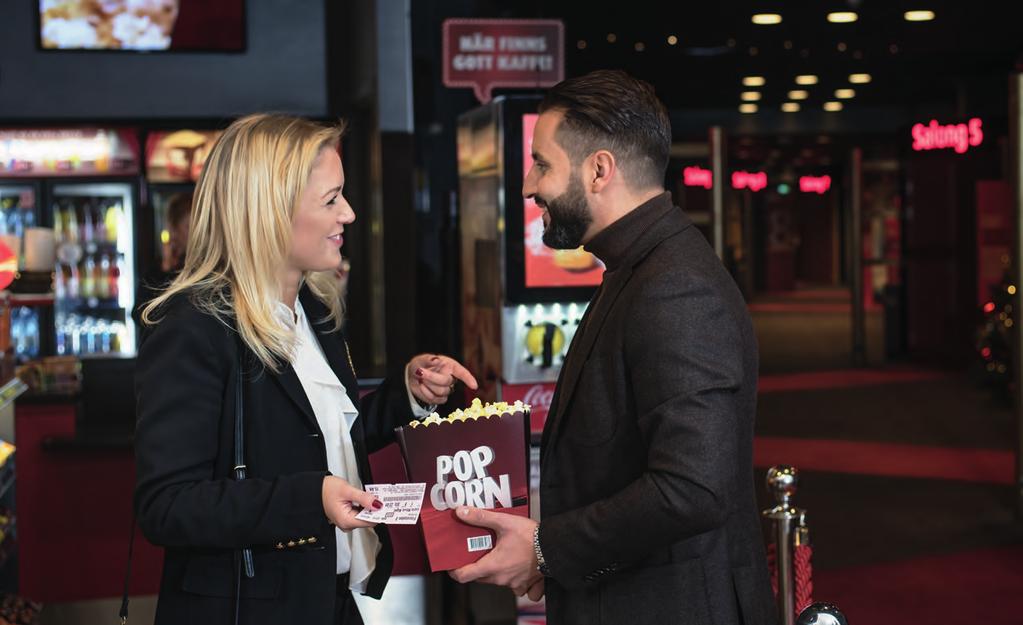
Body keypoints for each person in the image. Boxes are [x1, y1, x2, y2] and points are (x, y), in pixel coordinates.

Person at [449, 70, 778, 625]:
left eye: (543, 164)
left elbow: (693, 488)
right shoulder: (642, 267)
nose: (529, 185)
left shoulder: (675, 286)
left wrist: (544, 546)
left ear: (599, 169)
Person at [134, 113, 477, 625]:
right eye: (331, 199)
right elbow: (167, 506)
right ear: (269, 211)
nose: (350, 214)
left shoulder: (314, 311)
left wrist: (406, 395)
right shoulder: (195, 327)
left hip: (327, 600)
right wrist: (309, 498)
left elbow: (317, 436)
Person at [133, 191, 192, 328]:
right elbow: (139, 316)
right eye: (188, 226)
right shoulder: (158, 269)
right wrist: (165, 268)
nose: (195, 233)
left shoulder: (204, 265)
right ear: (174, 229)